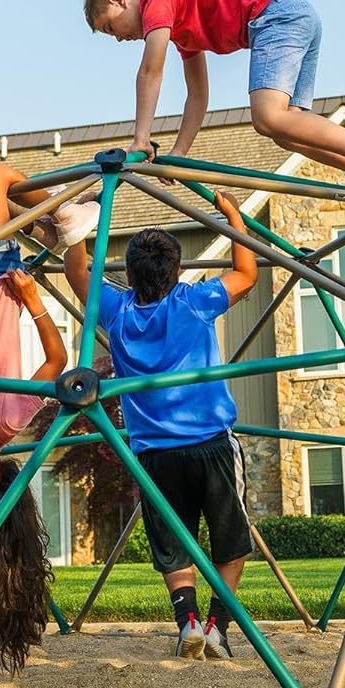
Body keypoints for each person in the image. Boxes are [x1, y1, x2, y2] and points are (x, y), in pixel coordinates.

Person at [64, 190, 259, 659]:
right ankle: (217, 625)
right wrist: (233, 218)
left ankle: (186, 619)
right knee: (230, 539)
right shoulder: (194, 302)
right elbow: (247, 275)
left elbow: (76, 271)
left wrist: (73, 224)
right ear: (177, 273)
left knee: (173, 542)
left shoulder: (117, 311)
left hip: (153, 453)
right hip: (210, 443)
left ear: (128, 275)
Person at [85, 0, 345, 224]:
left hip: (275, 15)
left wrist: (141, 138)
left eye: (111, 28)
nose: (119, 38)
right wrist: (181, 150)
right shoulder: (180, 27)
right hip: (295, 14)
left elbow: (150, 71)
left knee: (267, 116)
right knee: (287, 129)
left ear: (119, 0)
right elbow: (197, 95)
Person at [0, 159, 96, 672]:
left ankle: (47, 226)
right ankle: (63, 218)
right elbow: (55, 362)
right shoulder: (4, 425)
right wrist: (32, 300)